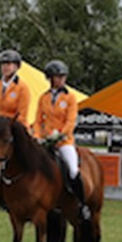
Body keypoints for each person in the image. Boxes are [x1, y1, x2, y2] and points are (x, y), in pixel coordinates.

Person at [32, 59, 91, 221]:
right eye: (58, 76)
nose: (61, 79)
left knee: (73, 170)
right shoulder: (43, 98)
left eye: (63, 76)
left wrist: (60, 135)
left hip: (64, 142)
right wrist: (37, 136)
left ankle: (82, 204)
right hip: (45, 141)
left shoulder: (70, 97)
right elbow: (38, 120)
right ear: (50, 78)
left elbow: (70, 121)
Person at [0, 49, 31, 126]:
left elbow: (22, 115)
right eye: (3, 64)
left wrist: (6, 126)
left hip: (16, 126)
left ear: (17, 66)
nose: (5, 67)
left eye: (8, 64)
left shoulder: (22, 88)